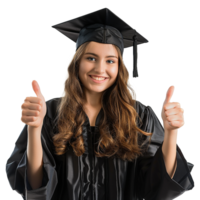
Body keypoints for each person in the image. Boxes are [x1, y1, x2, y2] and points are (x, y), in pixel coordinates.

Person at [4, 7, 195, 200]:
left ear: (120, 67)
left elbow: (159, 189)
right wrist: (35, 129)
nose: (100, 69)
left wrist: (171, 133)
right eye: (91, 58)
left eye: (110, 61)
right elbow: (34, 188)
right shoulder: (51, 112)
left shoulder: (139, 115)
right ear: (77, 62)